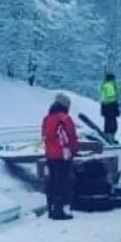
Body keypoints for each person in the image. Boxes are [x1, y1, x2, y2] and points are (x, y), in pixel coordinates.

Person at [42, 93, 79, 221]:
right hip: (62, 156)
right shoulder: (65, 119)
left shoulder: (47, 118)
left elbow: (44, 136)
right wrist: (74, 151)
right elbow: (71, 137)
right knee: (61, 183)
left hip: (49, 155)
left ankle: (51, 209)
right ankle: (59, 211)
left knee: (51, 182)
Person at [99, 73, 120, 143]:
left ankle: (110, 138)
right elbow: (111, 98)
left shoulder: (106, 85)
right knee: (111, 125)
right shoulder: (109, 85)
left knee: (109, 124)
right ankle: (110, 139)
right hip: (110, 109)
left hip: (108, 109)